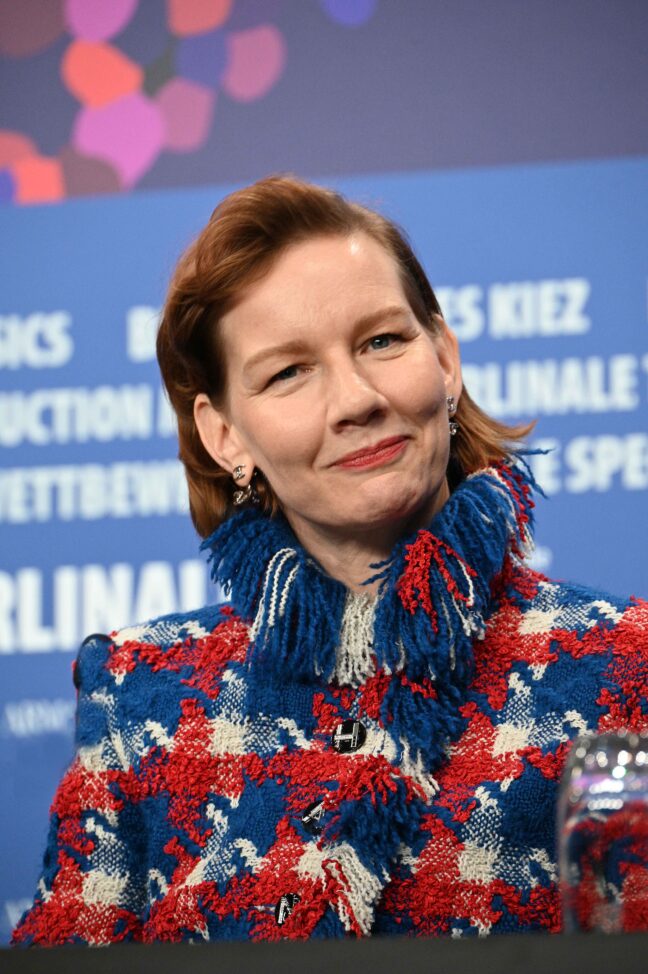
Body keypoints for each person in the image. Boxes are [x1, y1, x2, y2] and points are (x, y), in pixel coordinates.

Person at [13, 176, 648, 945]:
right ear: (225, 436)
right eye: (288, 372)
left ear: (445, 360)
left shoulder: (628, 665)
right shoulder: (137, 698)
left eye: (382, 341)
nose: (355, 400)